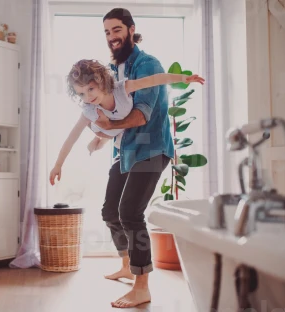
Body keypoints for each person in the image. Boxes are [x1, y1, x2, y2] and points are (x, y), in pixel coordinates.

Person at [91, 8, 194, 308]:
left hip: (150, 148)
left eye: (116, 30)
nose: (112, 37)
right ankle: (127, 264)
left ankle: (142, 286)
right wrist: (101, 136)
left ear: (131, 30)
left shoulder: (146, 64)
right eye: (107, 32)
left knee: (130, 212)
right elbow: (114, 109)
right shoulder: (115, 71)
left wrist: (110, 127)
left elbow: (140, 116)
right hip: (124, 150)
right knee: (110, 211)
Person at [49, 59, 203, 186]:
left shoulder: (121, 88)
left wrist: (182, 78)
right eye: (81, 94)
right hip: (103, 129)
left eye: (91, 89)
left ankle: (101, 139)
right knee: (104, 134)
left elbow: (153, 80)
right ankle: (100, 139)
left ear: (101, 81)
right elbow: (71, 137)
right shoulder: (89, 110)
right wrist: (58, 165)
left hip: (118, 127)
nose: (88, 97)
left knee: (115, 133)